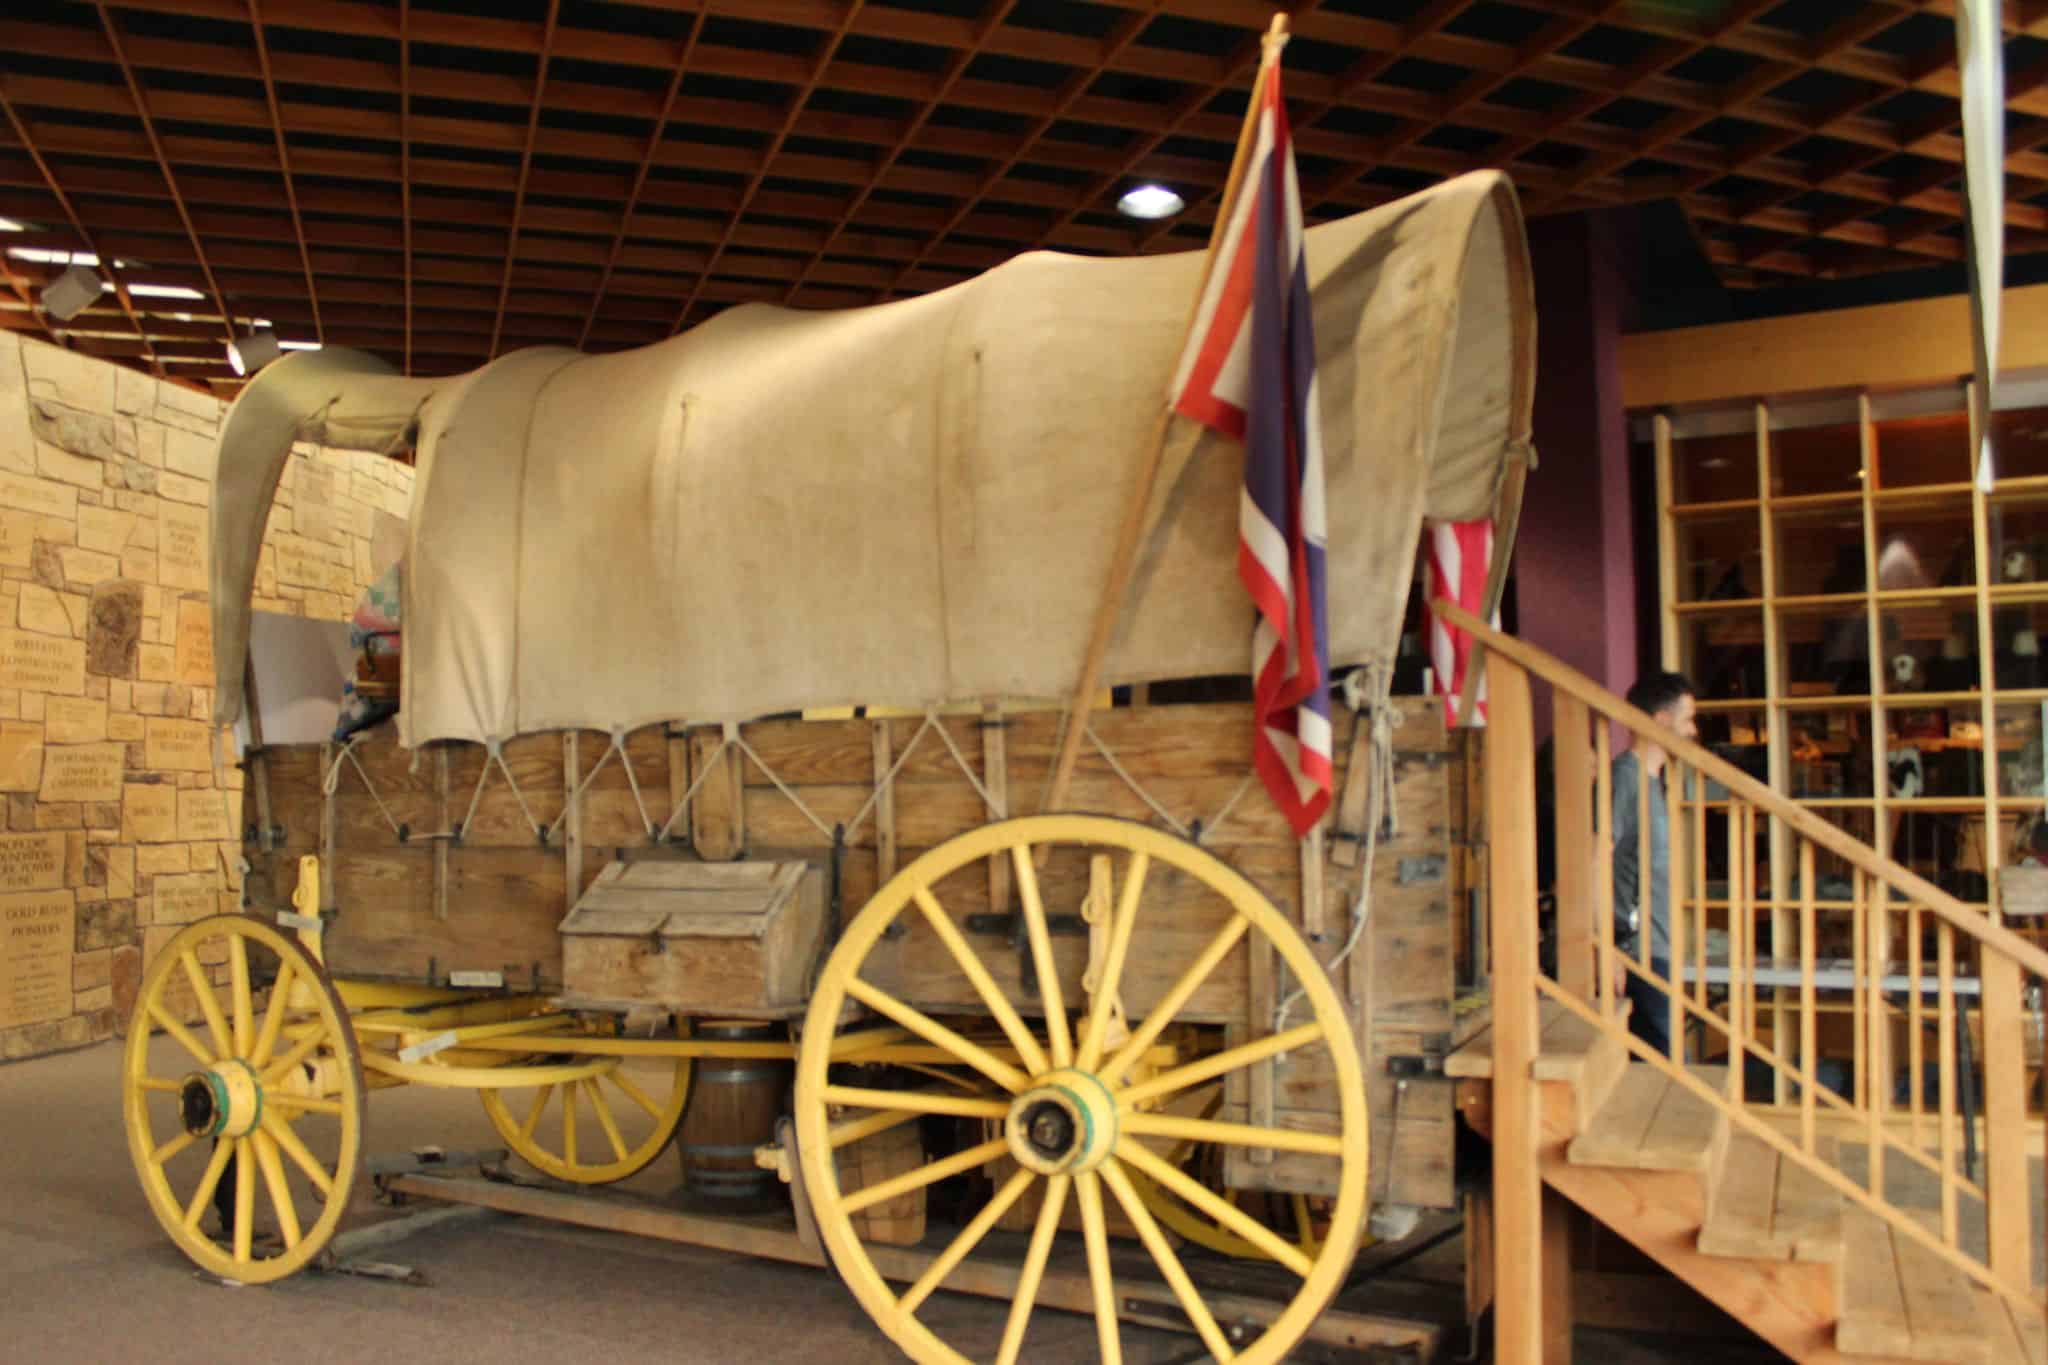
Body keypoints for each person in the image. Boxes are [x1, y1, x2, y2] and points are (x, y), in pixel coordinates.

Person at [1612, 671, 1697, 1058]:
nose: (1693, 731)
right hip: (1637, 951)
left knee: (1663, 1058)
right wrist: (1607, 946)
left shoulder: (1651, 782)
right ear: (1661, 722)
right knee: (1660, 1063)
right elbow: (1596, 859)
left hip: (1659, 947)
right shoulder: (1625, 779)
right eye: (1688, 720)